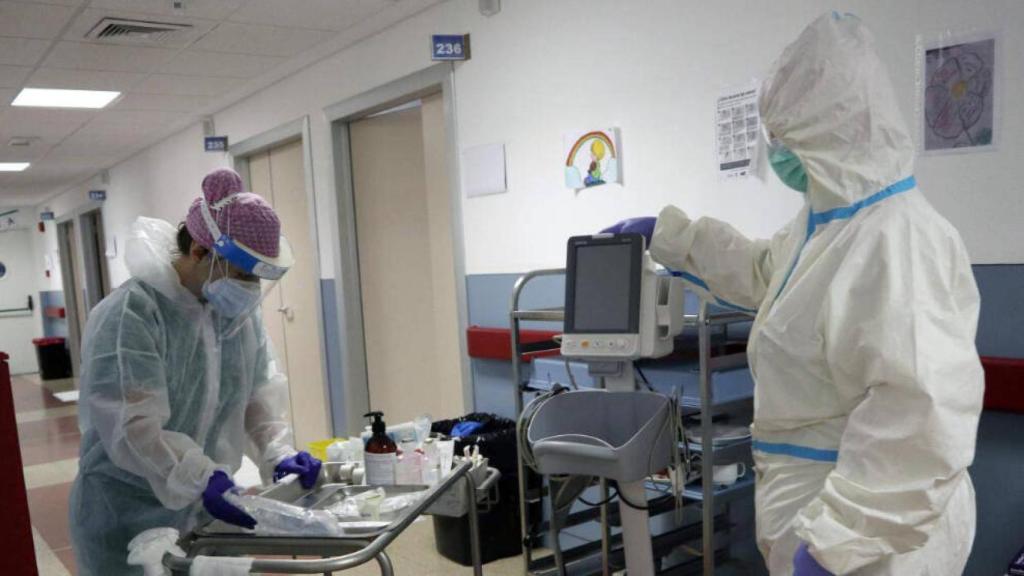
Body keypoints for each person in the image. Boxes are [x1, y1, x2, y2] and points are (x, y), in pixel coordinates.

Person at [607, 13, 983, 575]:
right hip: (822, 514)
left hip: (870, 542)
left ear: (832, 133)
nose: (777, 151)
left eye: (785, 137)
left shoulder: (896, 240)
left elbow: (918, 419)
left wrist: (835, 545)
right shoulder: (828, 225)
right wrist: (672, 237)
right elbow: (765, 271)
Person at [69, 168, 323, 575]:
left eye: (256, 278)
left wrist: (278, 452)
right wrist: (199, 478)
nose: (249, 290)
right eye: (241, 276)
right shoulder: (131, 315)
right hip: (126, 516)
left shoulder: (233, 317)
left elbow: (256, 395)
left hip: (203, 512)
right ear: (199, 252)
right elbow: (134, 427)